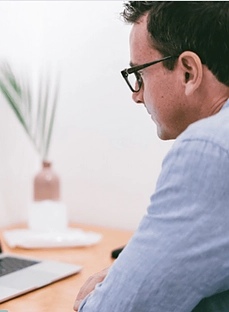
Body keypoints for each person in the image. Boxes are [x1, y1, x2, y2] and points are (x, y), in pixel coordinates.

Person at [74, 2, 229, 311]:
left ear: (188, 72)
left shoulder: (209, 149)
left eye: (138, 75)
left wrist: (114, 285)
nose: (136, 95)